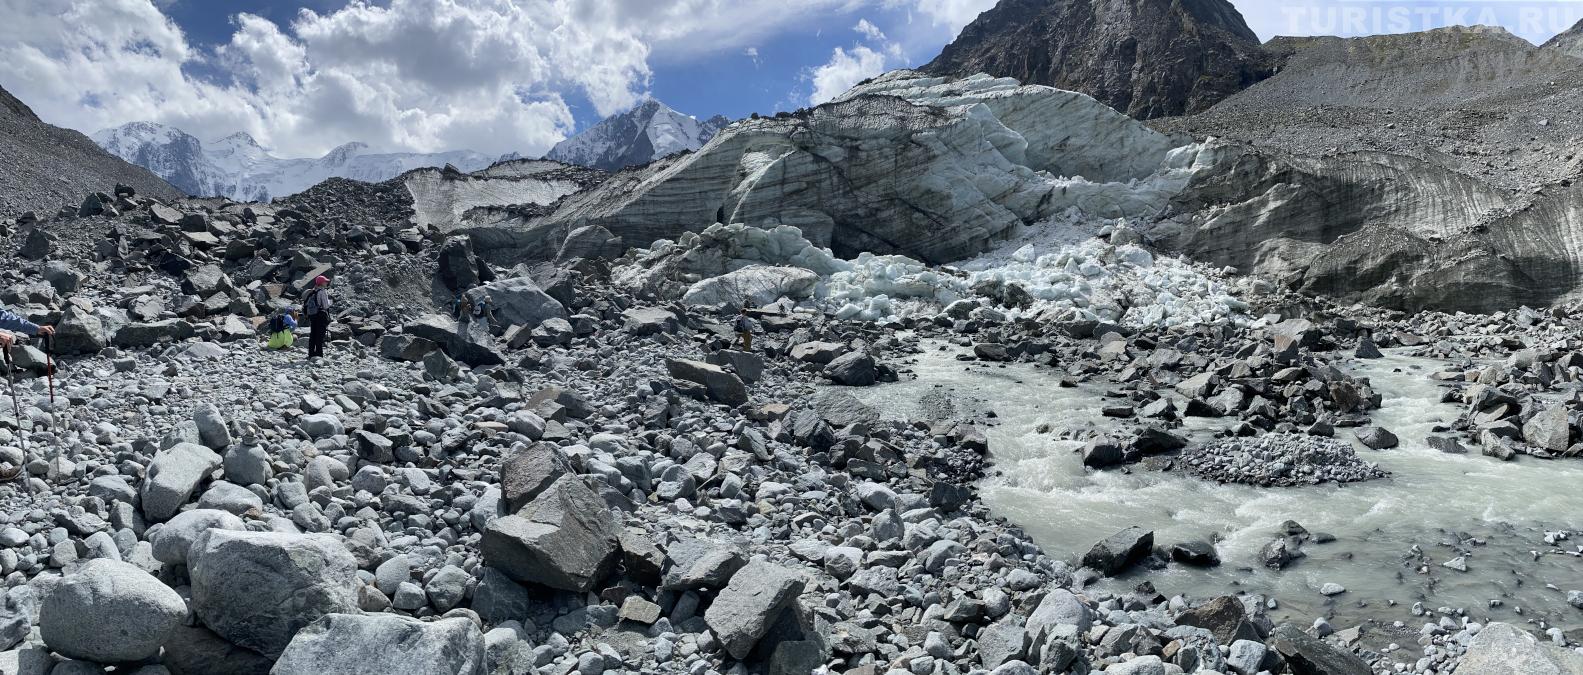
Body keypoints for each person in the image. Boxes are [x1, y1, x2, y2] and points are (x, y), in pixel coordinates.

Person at [302, 276, 333, 360]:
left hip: (313, 315)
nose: (327, 283)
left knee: (313, 334)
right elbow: (325, 306)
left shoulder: (313, 290)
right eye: (325, 281)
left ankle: (311, 354)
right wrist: (330, 302)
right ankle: (319, 355)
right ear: (321, 283)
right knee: (320, 335)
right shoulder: (322, 291)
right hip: (321, 315)